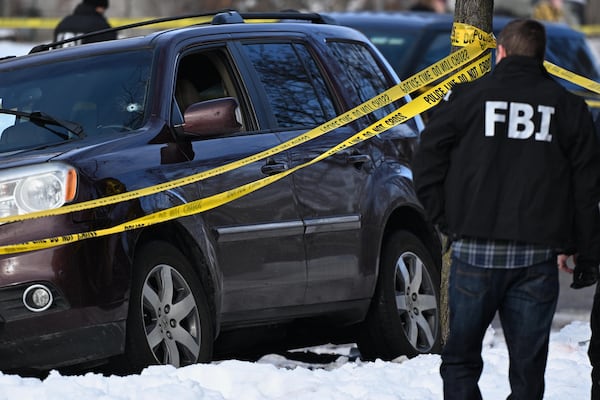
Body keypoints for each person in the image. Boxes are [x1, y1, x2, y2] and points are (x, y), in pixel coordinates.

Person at [412, 18, 600, 400]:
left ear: (500, 53)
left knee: (461, 362)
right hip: (536, 258)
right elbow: (586, 187)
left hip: (474, 253)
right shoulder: (568, 107)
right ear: (541, 56)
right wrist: (586, 252)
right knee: (528, 372)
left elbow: (427, 156)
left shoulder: (467, 99)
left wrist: (443, 218)